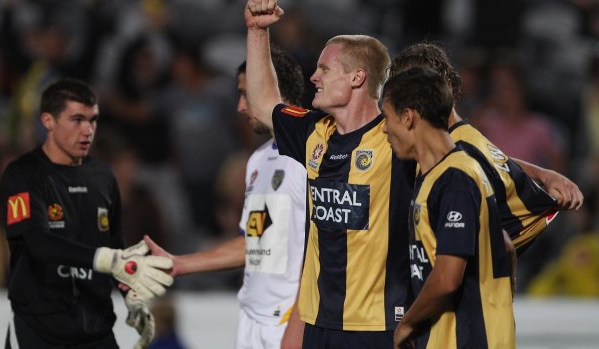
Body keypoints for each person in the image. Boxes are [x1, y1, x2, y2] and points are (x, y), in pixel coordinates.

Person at [245, 2, 416, 347]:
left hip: (377, 326)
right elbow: (264, 105)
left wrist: (538, 174)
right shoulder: (314, 132)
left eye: (325, 69)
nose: (313, 77)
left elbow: (463, 154)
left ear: (357, 77)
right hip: (318, 322)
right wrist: (257, 31)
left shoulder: (397, 138)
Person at [145, 48, 307, 349]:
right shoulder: (258, 160)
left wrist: (298, 326)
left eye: (247, 94)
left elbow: (323, 252)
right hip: (252, 317)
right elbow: (258, 243)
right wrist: (180, 263)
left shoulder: (313, 156)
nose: (240, 106)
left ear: (270, 90)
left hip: (287, 323)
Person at [1, 78, 173, 349]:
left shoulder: (103, 177)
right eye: (77, 120)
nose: (87, 131)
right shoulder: (23, 174)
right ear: (48, 121)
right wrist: (108, 259)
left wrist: (132, 296)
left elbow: (116, 247)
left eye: (92, 120)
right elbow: (37, 242)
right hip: (38, 331)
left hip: (95, 330)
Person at [388, 42, 584, 254]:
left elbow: (451, 269)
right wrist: (544, 174)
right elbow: (486, 160)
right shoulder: (451, 144)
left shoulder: (457, 160)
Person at [383, 66, 515, 349]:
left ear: (408, 117)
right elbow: (504, 246)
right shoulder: (441, 173)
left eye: (386, 117)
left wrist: (407, 322)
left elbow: (447, 277)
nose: (384, 128)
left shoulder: (454, 179)